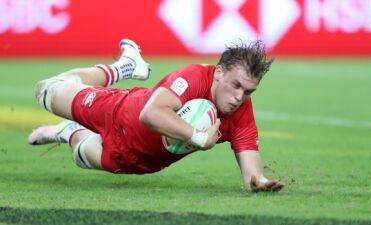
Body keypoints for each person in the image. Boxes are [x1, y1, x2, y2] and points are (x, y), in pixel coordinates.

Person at [28, 38, 284, 192]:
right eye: (236, 85)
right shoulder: (194, 77)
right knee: (46, 91)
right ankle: (122, 68)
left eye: (249, 91)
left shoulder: (242, 114)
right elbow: (151, 114)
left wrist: (259, 182)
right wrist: (197, 136)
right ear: (219, 73)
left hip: (138, 162)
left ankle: (67, 130)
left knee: (80, 155)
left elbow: (252, 171)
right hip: (117, 113)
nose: (240, 97)